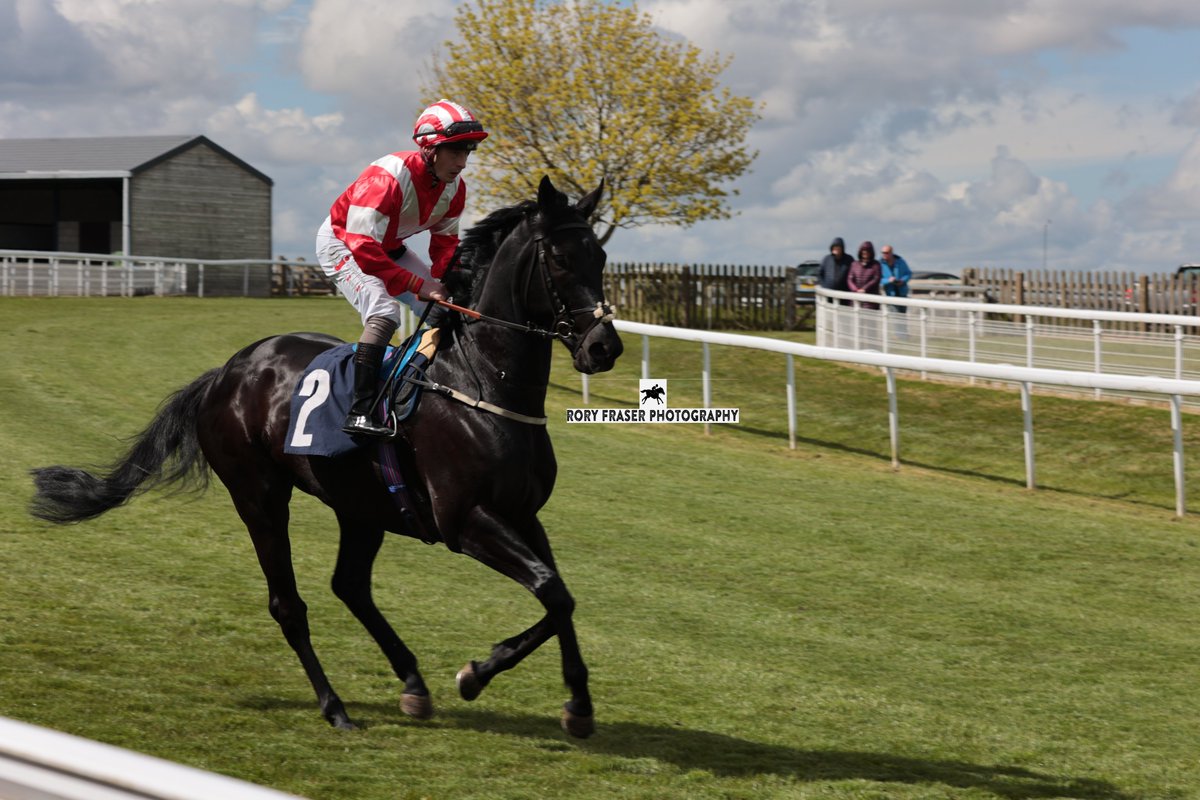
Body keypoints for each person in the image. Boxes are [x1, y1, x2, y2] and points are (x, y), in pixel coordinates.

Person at [316, 99, 488, 437]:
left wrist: (448, 279)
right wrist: (418, 284)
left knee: (445, 308)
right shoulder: (387, 178)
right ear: (430, 148)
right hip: (344, 243)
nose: (463, 162)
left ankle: (413, 380)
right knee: (384, 314)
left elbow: (444, 246)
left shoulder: (454, 189)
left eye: (468, 151)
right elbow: (364, 250)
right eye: (455, 152)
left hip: (387, 248)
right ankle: (360, 410)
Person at [847, 241, 881, 309]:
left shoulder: (876, 265)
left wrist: (864, 289)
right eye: (863, 250)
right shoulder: (854, 264)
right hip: (855, 300)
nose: (865, 252)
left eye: (867, 250)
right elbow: (849, 279)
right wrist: (855, 290)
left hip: (870, 302)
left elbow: (876, 278)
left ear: (871, 252)